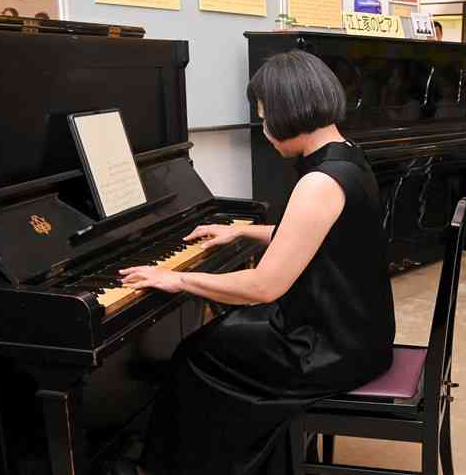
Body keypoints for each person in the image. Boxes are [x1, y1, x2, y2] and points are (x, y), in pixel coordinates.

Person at [116, 50, 396, 475]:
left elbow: (265, 287)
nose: (264, 130)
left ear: (289, 113)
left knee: (194, 355)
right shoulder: (346, 153)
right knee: (221, 336)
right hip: (358, 330)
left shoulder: (318, 182)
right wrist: (241, 231)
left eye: (265, 117)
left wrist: (178, 279)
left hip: (329, 349)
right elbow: (319, 238)